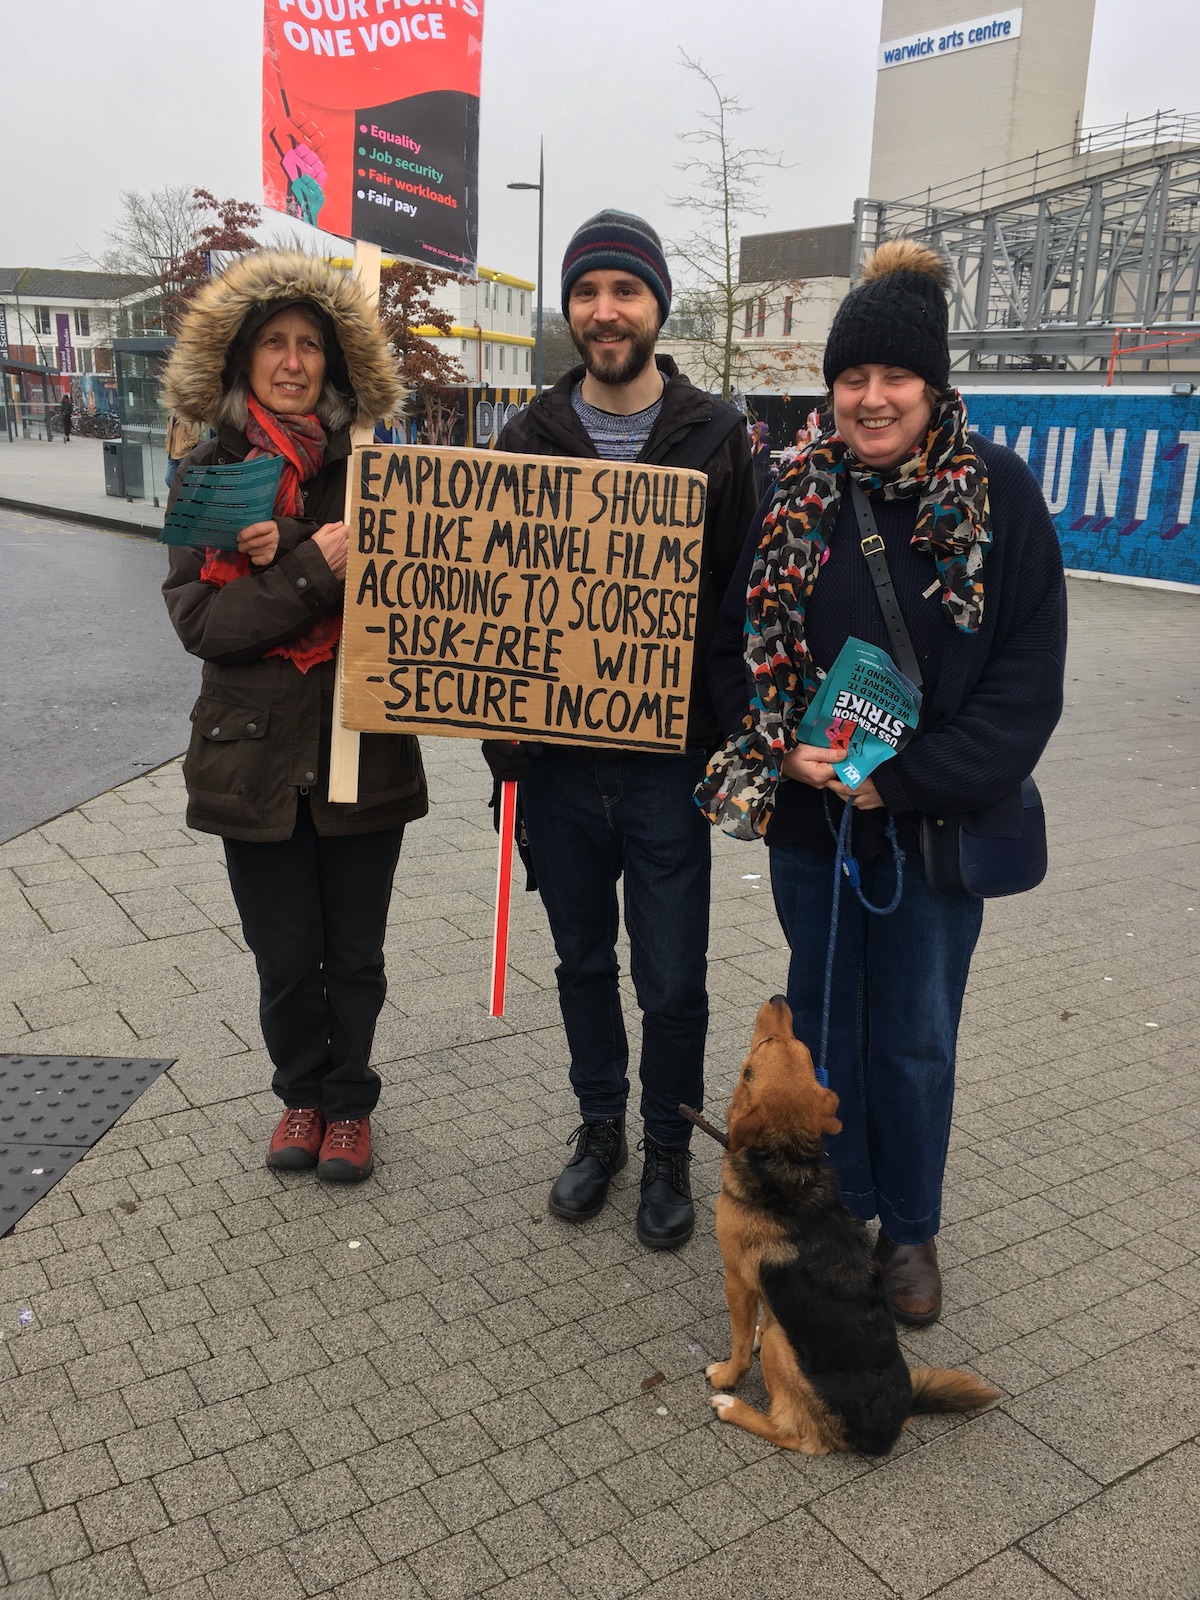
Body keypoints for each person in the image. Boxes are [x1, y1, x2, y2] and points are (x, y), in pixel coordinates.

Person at [701, 239, 1066, 1322]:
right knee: (825, 1027)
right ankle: (839, 1210)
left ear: (933, 386)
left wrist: (899, 781)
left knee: (913, 1038)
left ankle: (909, 1226)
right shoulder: (791, 488)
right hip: (813, 828)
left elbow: (1026, 684)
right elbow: (730, 648)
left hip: (930, 829)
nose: (871, 398)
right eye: (852, 377)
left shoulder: (1000, 493)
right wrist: (782, 746)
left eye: (895, 376)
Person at [484, 210, 758, 1249]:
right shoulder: (524, 438)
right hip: (555, 768)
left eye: (625, 291)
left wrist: (737, 742)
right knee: (582, 962)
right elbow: (488, 610)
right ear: (571, 309)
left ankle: (670, 1146)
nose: (605, 311)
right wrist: (499, 736)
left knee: (674, 977)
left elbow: (741, 606)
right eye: (588, 292)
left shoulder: (718, 438)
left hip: (668, 769)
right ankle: (601, 1129)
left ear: (657, 308)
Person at [161, 250, 427, 1182]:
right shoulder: (208, 474)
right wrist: (315, 569)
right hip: (253, 761)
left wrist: (314, 549)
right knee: (283, 956)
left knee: (355, 953)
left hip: (362, 750)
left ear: (334, 362)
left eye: (309, 344)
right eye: (273, 342)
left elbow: (424, 600)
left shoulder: (379, 473)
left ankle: (349, 1105)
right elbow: (205, 624)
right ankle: (301, 1097)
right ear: (243, 359)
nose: (291, 360)